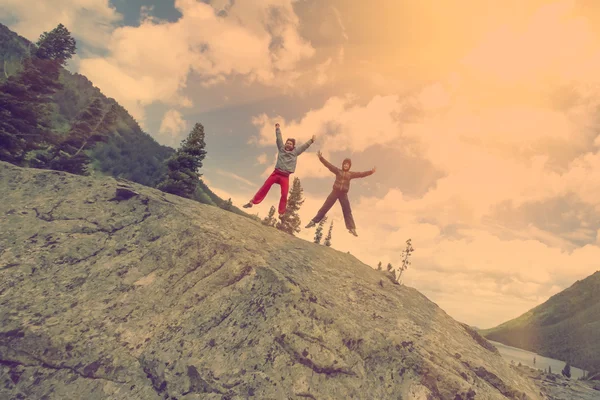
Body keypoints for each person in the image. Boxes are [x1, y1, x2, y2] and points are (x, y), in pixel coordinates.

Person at [243, 123, 315, 216]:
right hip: (276, 173)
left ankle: (281, 212)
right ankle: (252, 202)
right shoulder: (281, 149)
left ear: (293, 146)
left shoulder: (295, 152)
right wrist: (277, 129)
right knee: (265, 186)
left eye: (290, 144)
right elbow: (279, 138)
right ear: (285, 144)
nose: (288, 144)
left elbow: (304, 146)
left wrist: (311, 140)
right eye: (287, 143)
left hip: (285, 177)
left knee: (284, 194)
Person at [305, 151, 375, 236]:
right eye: (345, 164)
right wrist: (321, 158)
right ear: (343, 165)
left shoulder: (351, 174)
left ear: (349, 166)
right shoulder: (338, 171)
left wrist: (370, 172)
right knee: (325, 207)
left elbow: (361, 174)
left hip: (343, 194)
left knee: (347, 210)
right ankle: (313, 221)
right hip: (335, 192)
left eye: (347, 165)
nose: (346, 165)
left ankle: (351, 228)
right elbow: (329, 166)